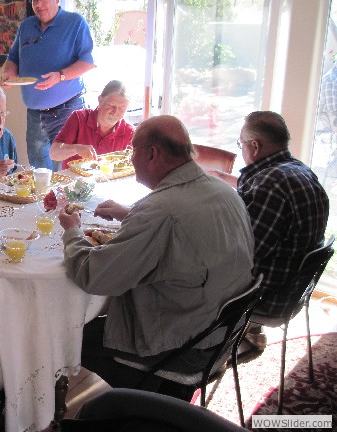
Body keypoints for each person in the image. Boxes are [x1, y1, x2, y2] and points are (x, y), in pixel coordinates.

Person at [58, 115, 254, 400]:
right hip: (223, 333)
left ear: (152, 154)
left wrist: (72, 231)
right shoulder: (224, 191)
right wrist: (130, 214)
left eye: (133, 150)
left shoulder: (159, 211)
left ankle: (143, 404)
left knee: (68, 333)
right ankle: (160, 401)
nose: (131, 158)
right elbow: (183, 232)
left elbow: (93, 275)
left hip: (183, 347)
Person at [236, 111, 329, 349]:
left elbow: (245, 254)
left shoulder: (270, 184)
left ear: (254, 146)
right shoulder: (301, 171)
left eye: (241, 145)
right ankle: (250, 330)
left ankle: (203, 349)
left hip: (270, 295)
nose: (241, 150)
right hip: (294, 287)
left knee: (186, 269)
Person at [1, 0, 95, 171]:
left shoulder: (75, 22)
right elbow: (13, 59)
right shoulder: (26, 26)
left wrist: (60, 76)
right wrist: (8, 74)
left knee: (69, 169)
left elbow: (87, 62)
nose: (39, 5)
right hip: (35, 113)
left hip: (67, 110)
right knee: (39, 171)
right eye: (34, 0)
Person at [50, 80, 134, 169]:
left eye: (122, 108)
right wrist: (76, 148)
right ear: (100, 100)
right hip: (76, 181)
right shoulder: (79, 118)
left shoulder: (129, 131)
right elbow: (54, 153)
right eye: (111, 106)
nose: (115, 112)